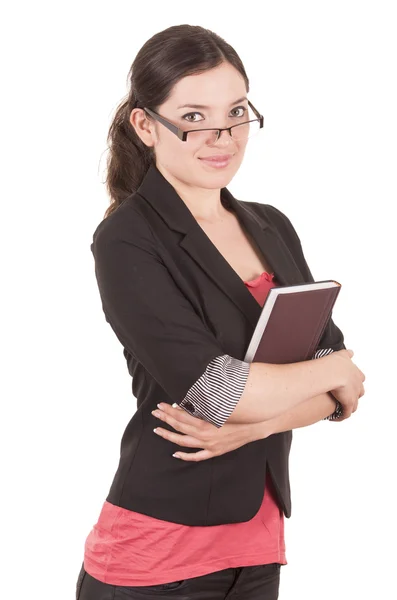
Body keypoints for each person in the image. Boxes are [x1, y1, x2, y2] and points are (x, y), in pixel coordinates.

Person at [76, 24, 366, 600]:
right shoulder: (127, 239)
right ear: (145, 126)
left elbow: (344, 391)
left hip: (258, 548)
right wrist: (332, 373)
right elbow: (216, 391)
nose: (222, 135)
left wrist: (257, 424)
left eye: (236, 112)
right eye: (193, 117)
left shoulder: (272, 225)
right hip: (158, 553)